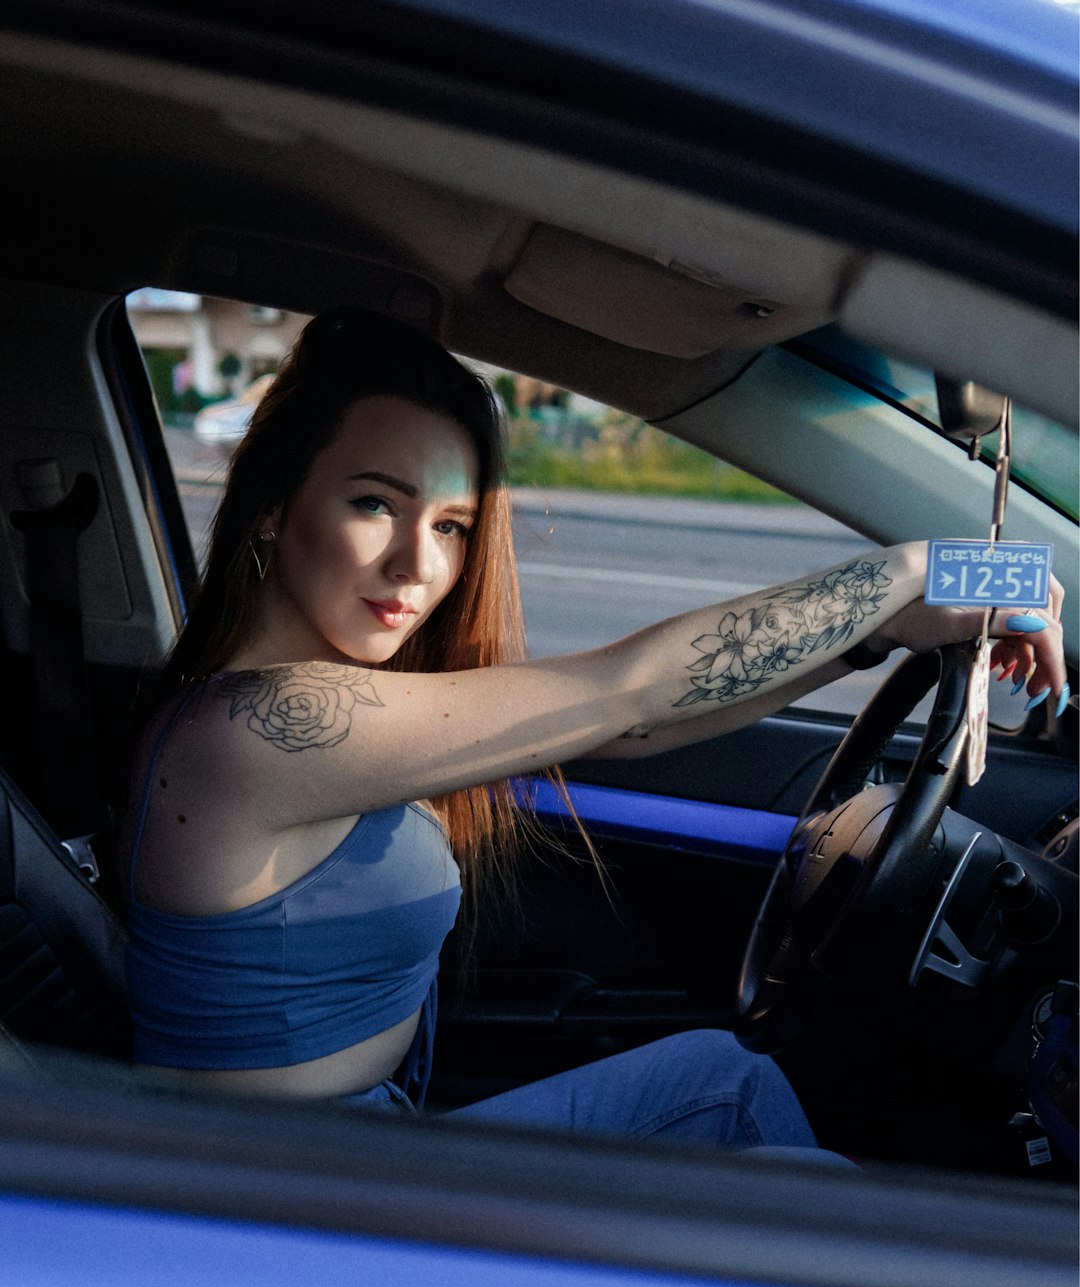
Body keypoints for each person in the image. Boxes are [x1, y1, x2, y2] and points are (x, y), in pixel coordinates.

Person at [120, 309, 1067, 1151]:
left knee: (719, 1078)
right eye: (376, 502)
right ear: (275, 510)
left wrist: (881, 635)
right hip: (288, 1212)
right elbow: (627, 696)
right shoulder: (254, 730)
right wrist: (933, 571)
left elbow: (634, 733)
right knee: (761, 1144)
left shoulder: (307, 711)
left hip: (356, 1158)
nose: (418, 563)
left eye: (451, 526)